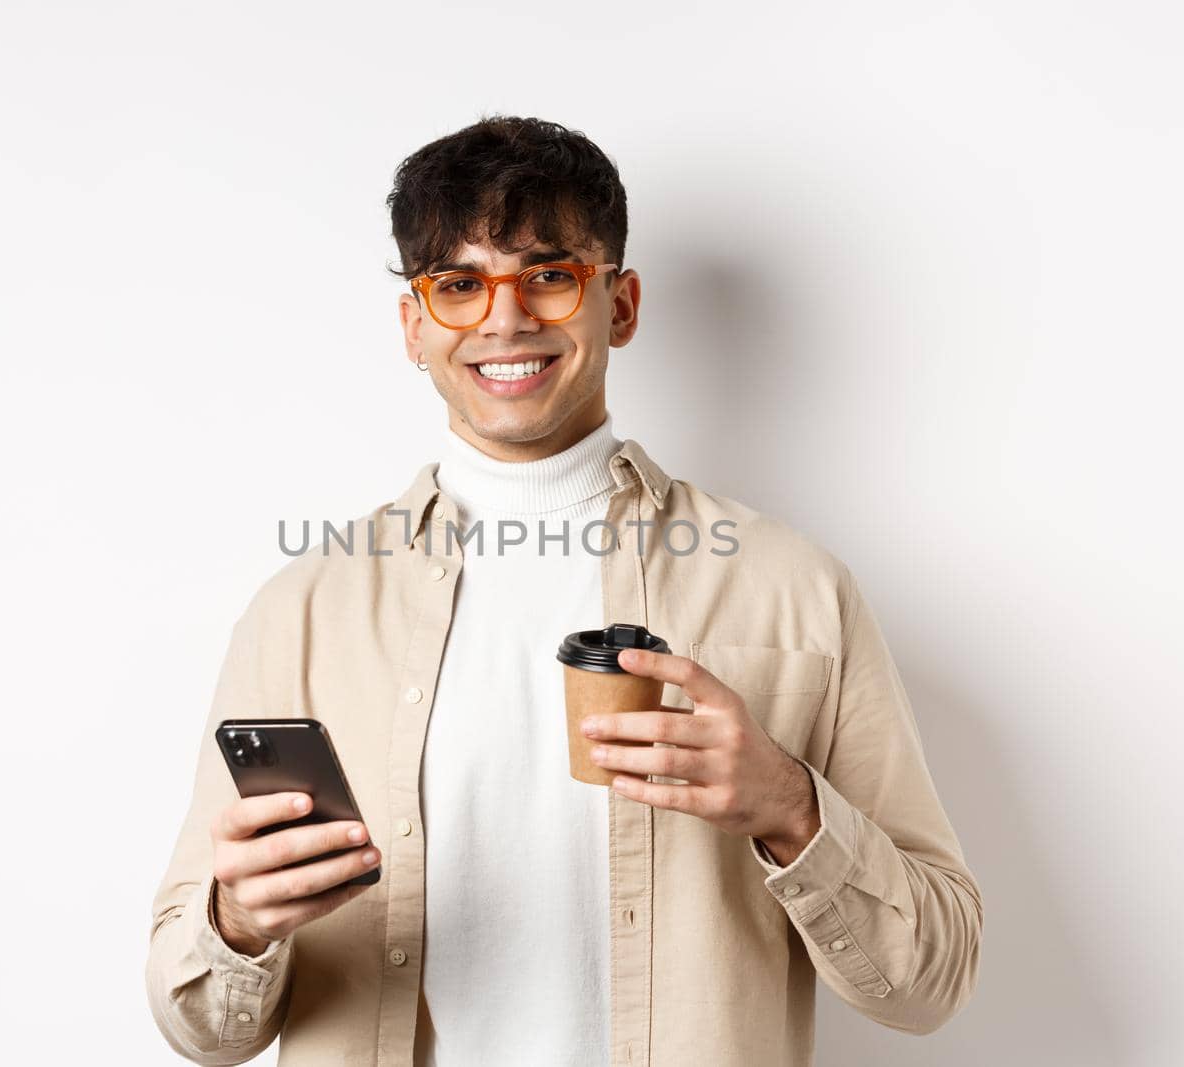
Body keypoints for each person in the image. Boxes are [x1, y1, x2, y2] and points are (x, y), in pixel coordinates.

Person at [145, 115, 982, 1067]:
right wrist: (241, 918)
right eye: (459, 285)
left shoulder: (795, 589)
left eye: (548, 274)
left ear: (618, 305)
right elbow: (200, 1028)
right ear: (415, 327)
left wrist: (792, 807)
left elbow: (934, 981)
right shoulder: (302, 612)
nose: (504, 320)